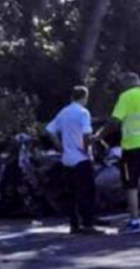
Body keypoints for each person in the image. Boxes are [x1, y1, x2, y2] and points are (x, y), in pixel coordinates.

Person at [100, 72, 140, 233]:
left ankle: (134, 222)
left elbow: (115, 121)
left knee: (131, 185)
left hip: (131, 147)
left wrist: (99, 135)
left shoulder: (126, 97)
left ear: (127, 83)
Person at [45, 86, 102, 235]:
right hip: (81, 158)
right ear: (85, 97)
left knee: (72, 193)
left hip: (67, 158)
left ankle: (74, 224)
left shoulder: (64, 112)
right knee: (87, 192)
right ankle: (88, 224)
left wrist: (59, 145)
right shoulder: (83, 113)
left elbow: (49, 129)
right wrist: (87, 149)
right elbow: (86, 134)